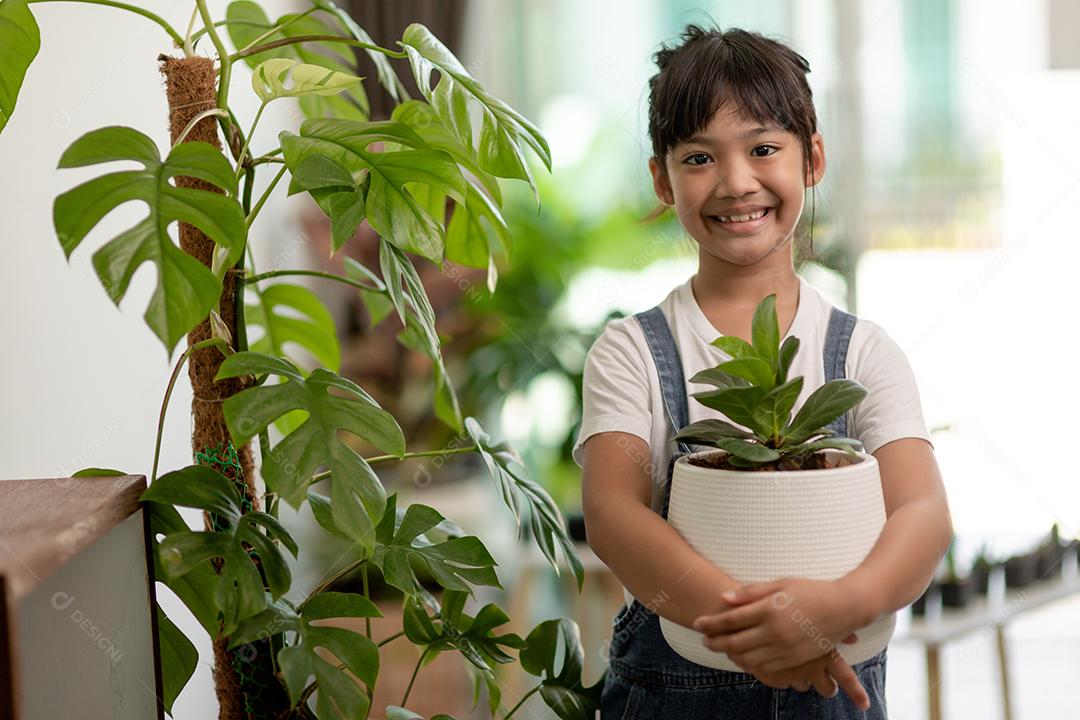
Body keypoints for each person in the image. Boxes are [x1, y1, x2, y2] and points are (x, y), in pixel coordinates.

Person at [574, 24, 953, 719]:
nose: (736, 182)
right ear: (661, 178)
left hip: (839, 675)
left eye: (764, 148)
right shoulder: (633, 350)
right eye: (698, 158)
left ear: (812, 158)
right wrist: (765, 634)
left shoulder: (862, 353)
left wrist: (838, 608)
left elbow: (924, 514)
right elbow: (613, 513)